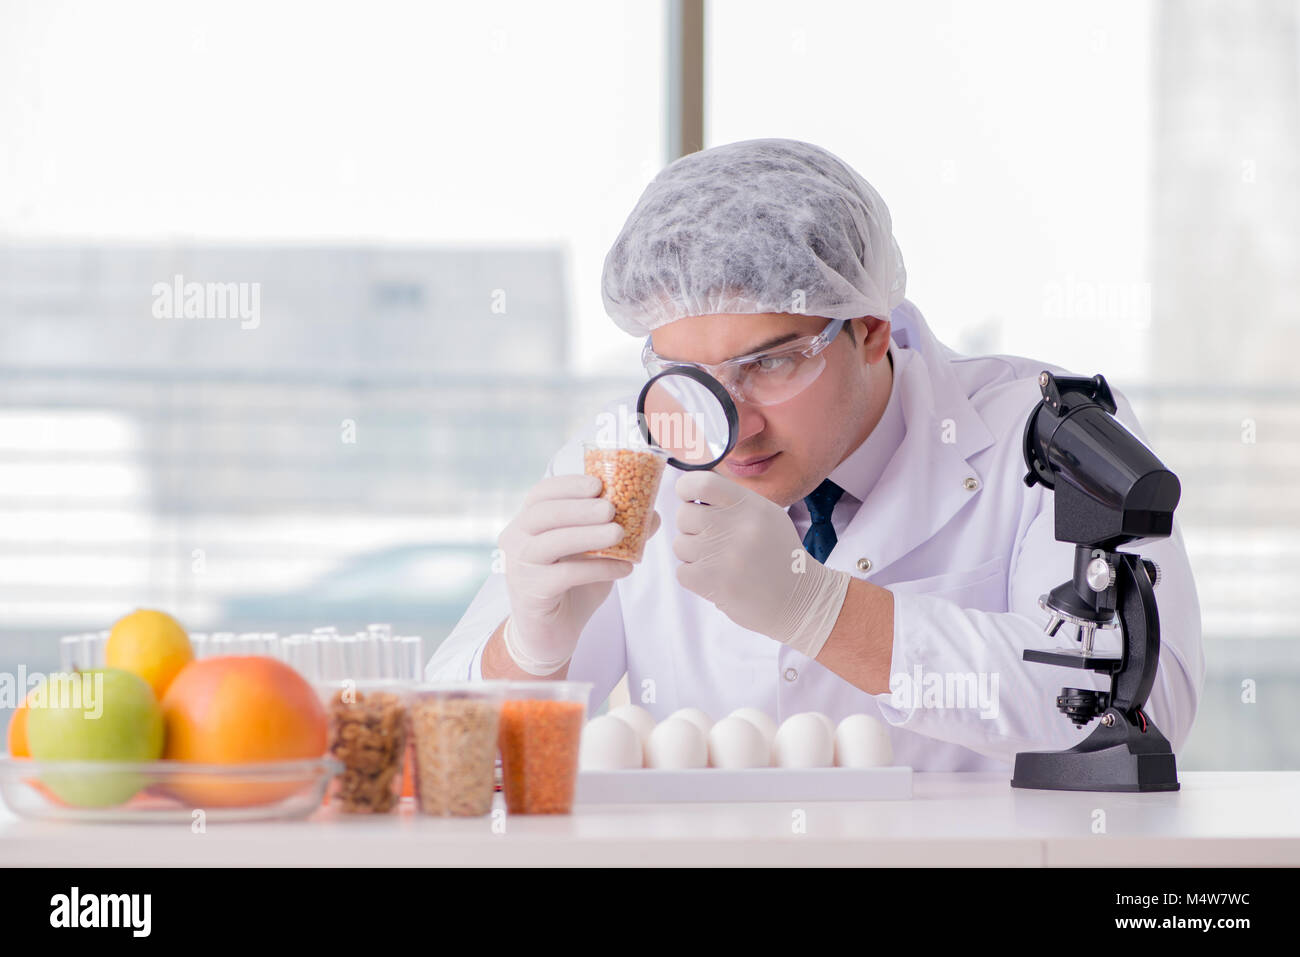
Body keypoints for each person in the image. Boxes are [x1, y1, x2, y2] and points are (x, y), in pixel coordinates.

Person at [427, 138, 1204, 770]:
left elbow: (1143, 709)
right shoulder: (628, 452)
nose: (728, 423)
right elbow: (451, 764)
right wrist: (530, 650)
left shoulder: (1046, 435)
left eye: (768, 363)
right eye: (685, 376)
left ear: (869, 326)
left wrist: (819, 608)